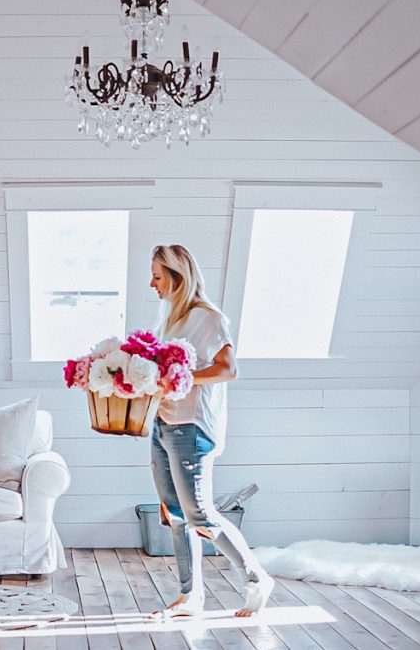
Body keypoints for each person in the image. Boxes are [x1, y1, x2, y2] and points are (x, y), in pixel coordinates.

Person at [148, 244, 274, 618]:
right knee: (174, 512)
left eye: (156, 276)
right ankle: (191, 596)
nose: (151, 284)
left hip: (192, 427)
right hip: (163, 423)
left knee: (201, 514)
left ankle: (256, 579)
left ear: (176, 276)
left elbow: (228, 370)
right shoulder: (170, 317)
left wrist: (180, 381)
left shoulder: (208, 317)